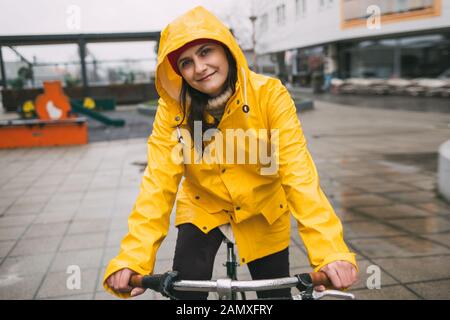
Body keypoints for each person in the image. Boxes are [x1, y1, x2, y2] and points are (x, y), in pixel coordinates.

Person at [104, 6, 358, 299]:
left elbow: (299, 174)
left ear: (227, 50)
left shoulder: (270, 95)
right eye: (186, 63)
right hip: (203, 206)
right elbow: (157, 184)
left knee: (274, 295)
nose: (199, 68)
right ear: (178, 73)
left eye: (206, 52)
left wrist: (330, 252)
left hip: (263, 207)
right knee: (187, 296)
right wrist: (132, 258)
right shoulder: (172, 111)